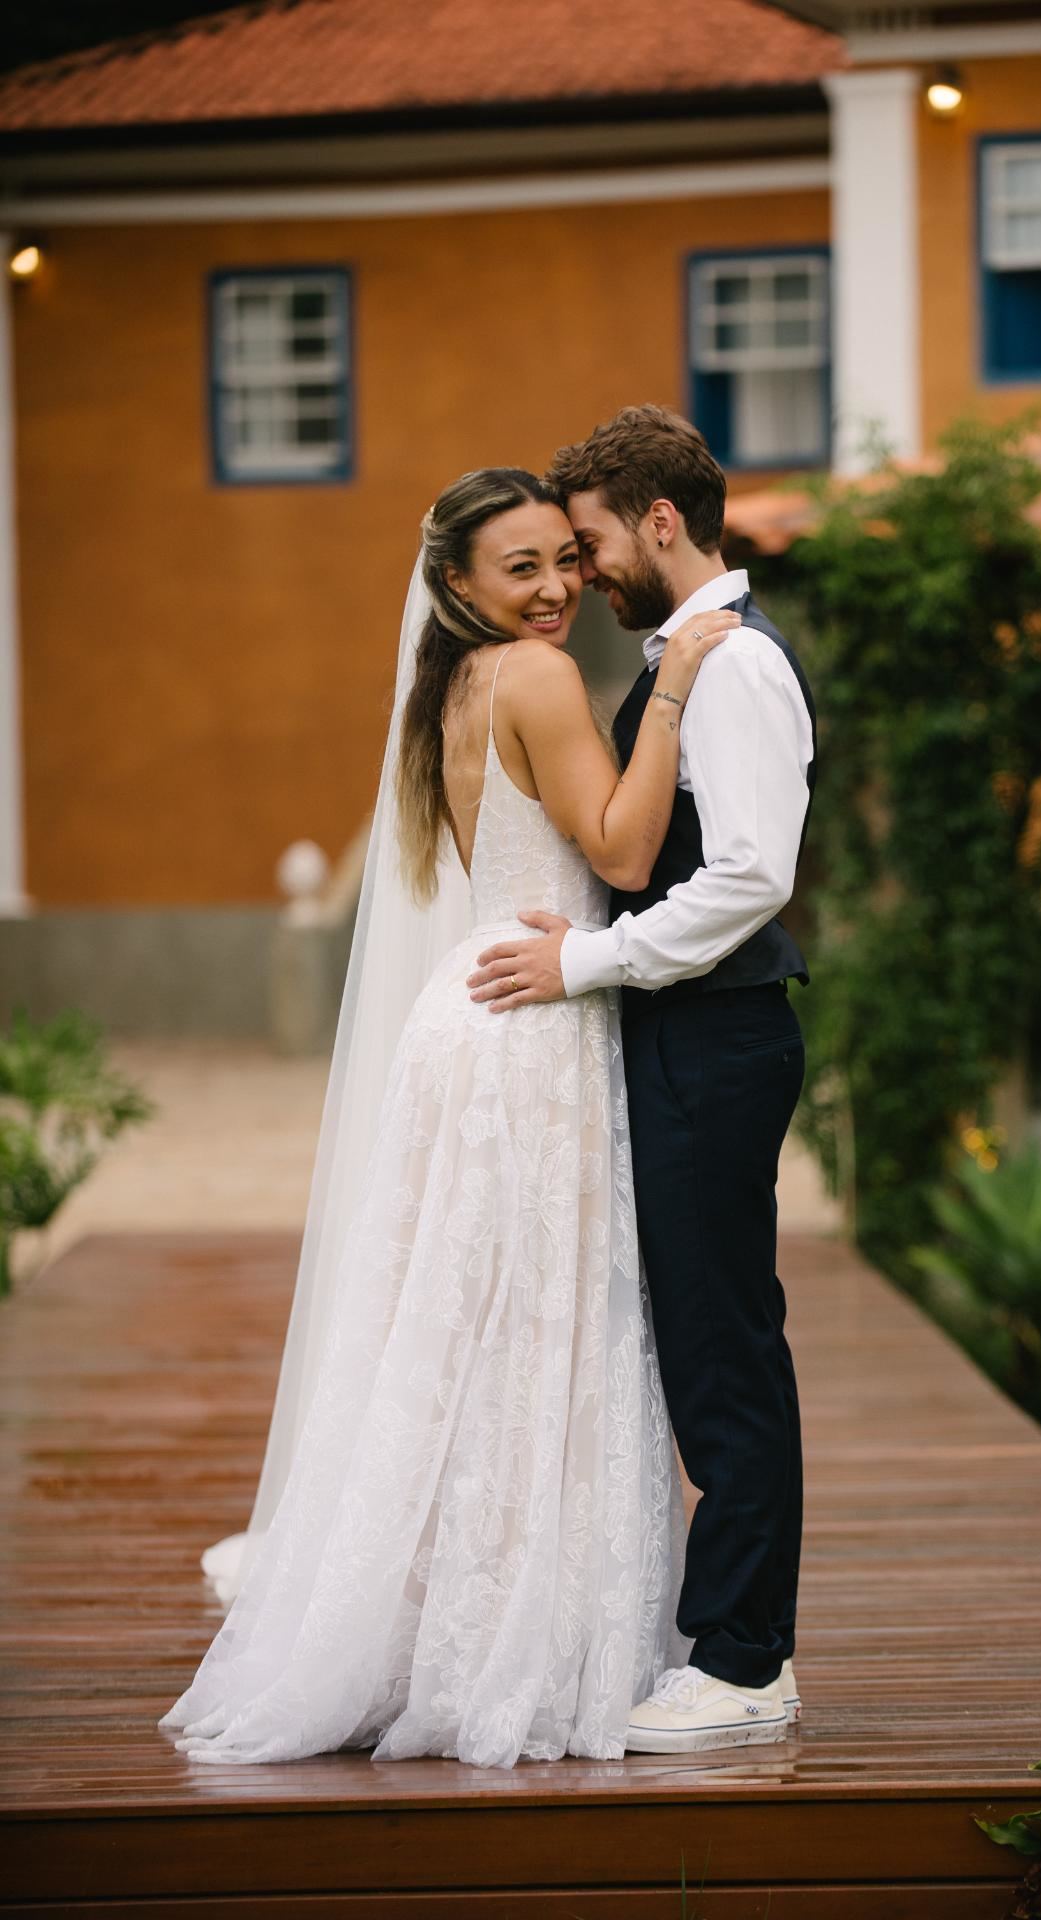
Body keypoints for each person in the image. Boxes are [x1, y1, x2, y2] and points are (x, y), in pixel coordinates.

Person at [158, 466, 738, 1768]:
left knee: (460, 1340)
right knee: (532, 1336)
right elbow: (625, 854)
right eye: (516, 568)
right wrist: (681, 686)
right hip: (531, 1033)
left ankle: (436, 1630)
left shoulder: (449, 685)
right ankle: (504, 1649)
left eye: (559, 561)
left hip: (465, 1021)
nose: (549, 590)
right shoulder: (534, 679)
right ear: (460, 586)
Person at [465, 407, 817, 1755]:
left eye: (595, 538)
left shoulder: (729, 669)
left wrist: (590, 963)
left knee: (725, 1349)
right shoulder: (687, 655)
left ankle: (744, 1662)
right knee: (699, 1342)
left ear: (658, 521)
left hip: (717, 1039)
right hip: (688, 1035)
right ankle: (726, 1638)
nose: (586, 570)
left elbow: (748, 877)